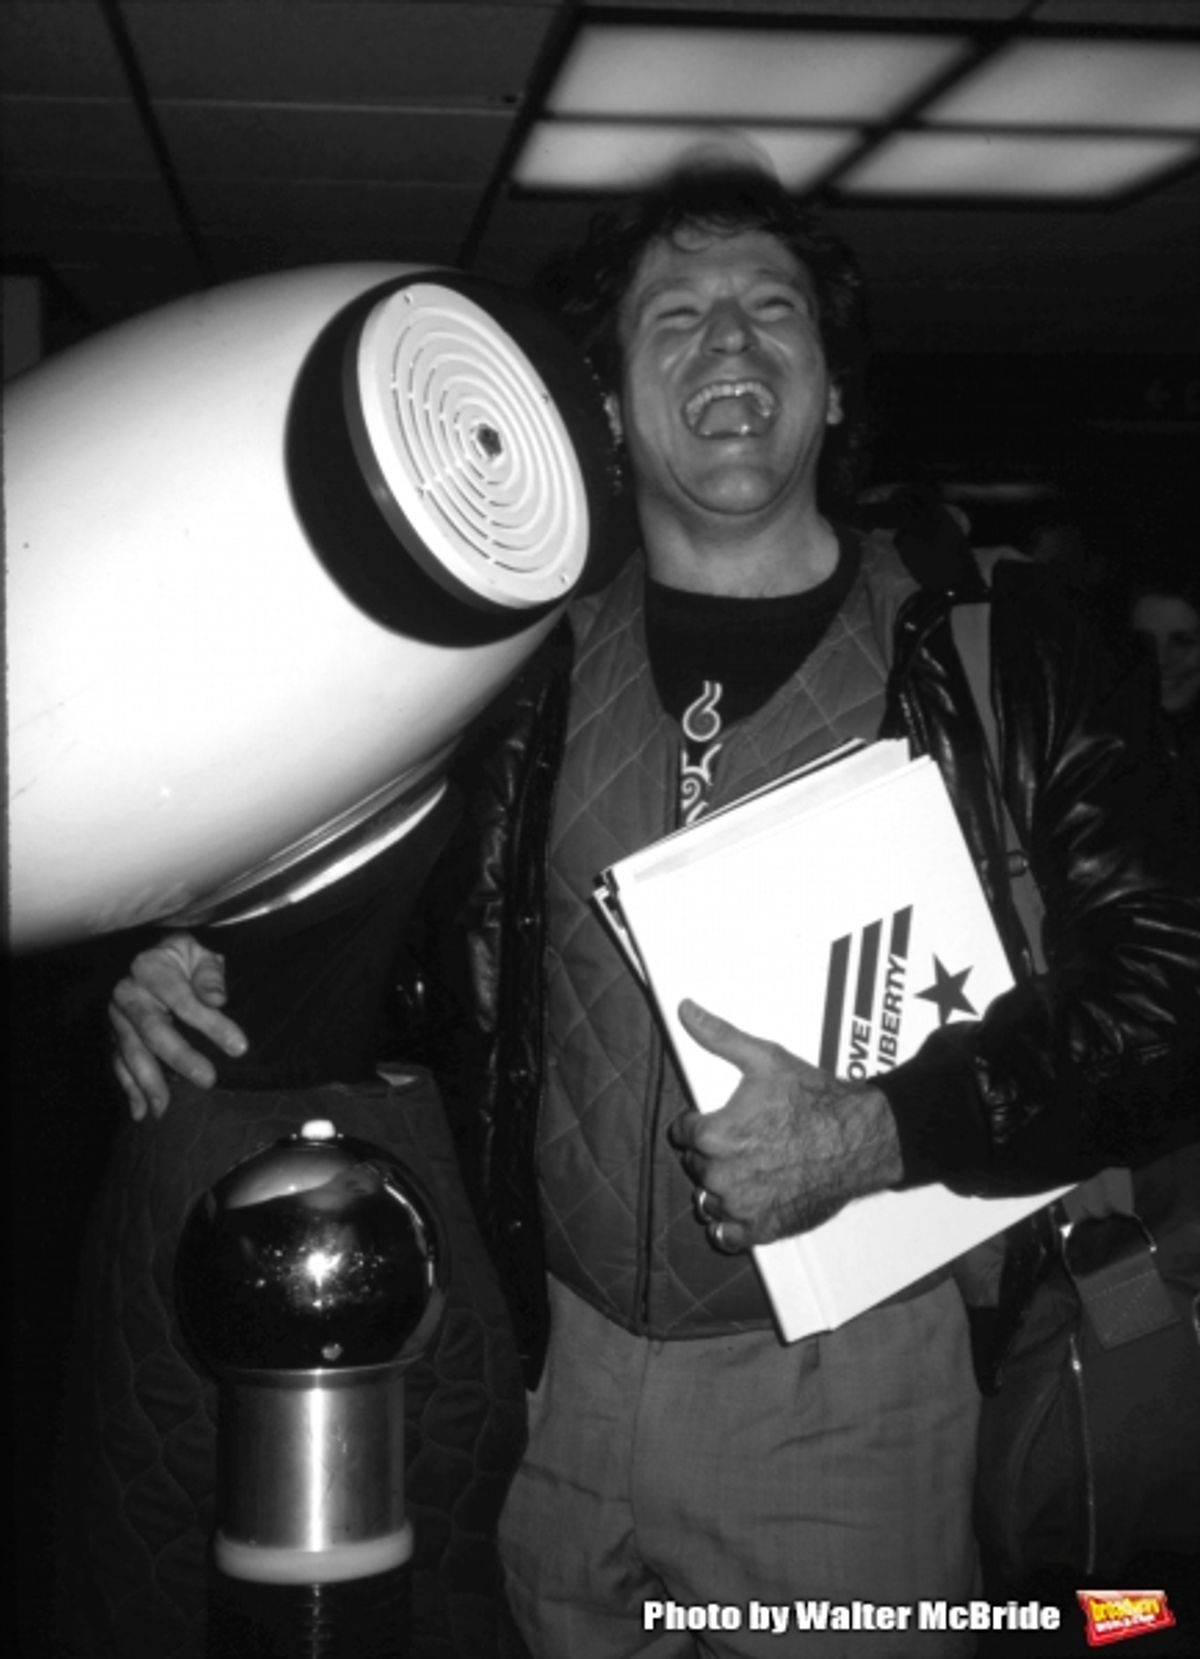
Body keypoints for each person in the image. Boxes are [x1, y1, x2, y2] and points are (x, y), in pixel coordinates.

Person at [108, 165, 1200, 1658]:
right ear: (612, 406)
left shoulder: (1003, 664)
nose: (731, 346)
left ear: (827, 393)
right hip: (558, 1392)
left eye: (773, 313)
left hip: (856, 1393)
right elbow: (395, 961)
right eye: (674, 318)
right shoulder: (514, 679)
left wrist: (879, 1132)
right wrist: (190, 971)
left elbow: (1168, 994)